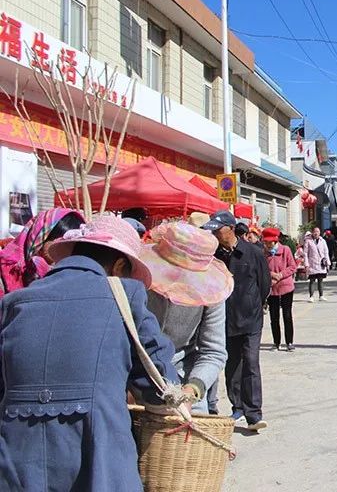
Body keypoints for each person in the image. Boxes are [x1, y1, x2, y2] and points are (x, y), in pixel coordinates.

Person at [0, 216, 186, 490]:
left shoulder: (13, 303)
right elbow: (161, 386)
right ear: (120, 265)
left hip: (16, 465)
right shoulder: (125, 295)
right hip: (99, 463)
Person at [140, 221, 232, 413]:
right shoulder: (137, 280)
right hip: (134, 380)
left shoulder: (212, 293)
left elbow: (213, 352)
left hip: (184, 382)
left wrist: (193, 389)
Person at [203, 210, 271, 431]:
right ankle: (237, 407)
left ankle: (254, 413)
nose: (214, 233)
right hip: (226, 318)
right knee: (232, 364)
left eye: (218, 229)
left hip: (251, 318)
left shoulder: (254, 252)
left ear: (231, 229)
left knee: (251, 362)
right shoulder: (214, 256)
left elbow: (265, 285)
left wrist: (254, 304)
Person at [0, 208, 85, 297]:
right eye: (61, 244)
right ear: (39, 240)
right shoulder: (7, 269)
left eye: (74, 246)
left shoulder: (76, 276)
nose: (68, 253)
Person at [262, 227, 298, 351]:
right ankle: (276, 342)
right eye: (265, 242)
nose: (267, 244)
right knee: (274, 317)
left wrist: (281, 275)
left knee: (287, 315)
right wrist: (272, 274)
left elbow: (292, 266)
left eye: (269, 242)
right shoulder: (264, 253)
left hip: (286, 287)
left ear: (275, 240)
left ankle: (289, 342)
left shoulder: (285, 250)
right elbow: (263, 268)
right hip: (272, 288)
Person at [305, 227, 331, 301]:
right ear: (312, 232)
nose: (316, 233)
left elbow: (326, 252)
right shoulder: (308, 241)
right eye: (315, 231)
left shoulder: (323, 241)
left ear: (320, 233)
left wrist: (328, 263)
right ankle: (311, 296)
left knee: (320, 280)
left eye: (318, 231)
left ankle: (321, 296)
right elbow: (305, 253)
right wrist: (306, 264)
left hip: (321, 263)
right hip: (312, 263)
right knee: (312, 280)